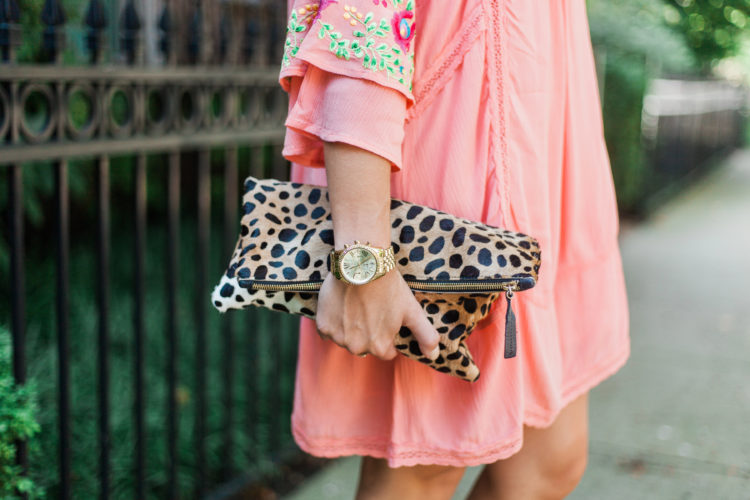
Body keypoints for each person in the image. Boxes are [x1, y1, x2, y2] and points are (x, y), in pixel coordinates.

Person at [278, 0, 631, 498]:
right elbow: (357, 17)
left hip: (544, 144)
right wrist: (363, 256)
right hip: (450, 157)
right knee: (424, 469)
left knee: (550, 462)